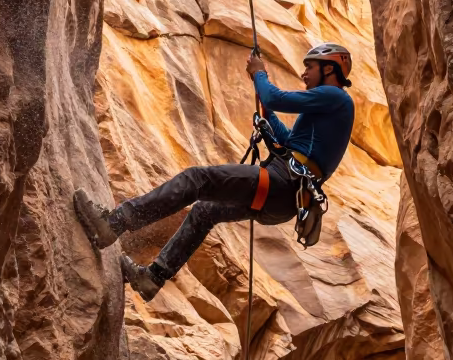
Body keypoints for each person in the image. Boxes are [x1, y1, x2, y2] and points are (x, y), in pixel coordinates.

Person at [74, 43, 356, 301]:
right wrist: (267, 116)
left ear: (328, 68)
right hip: (285, 200)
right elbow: (287, 141)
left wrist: (260, 75)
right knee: (205, 211)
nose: (305, 73)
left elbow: (276, 97)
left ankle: (114, 223)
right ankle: (152, 278)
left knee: (198, 179)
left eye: (310, 67)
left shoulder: (335, 96)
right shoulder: (328, 108)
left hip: (281, 183)